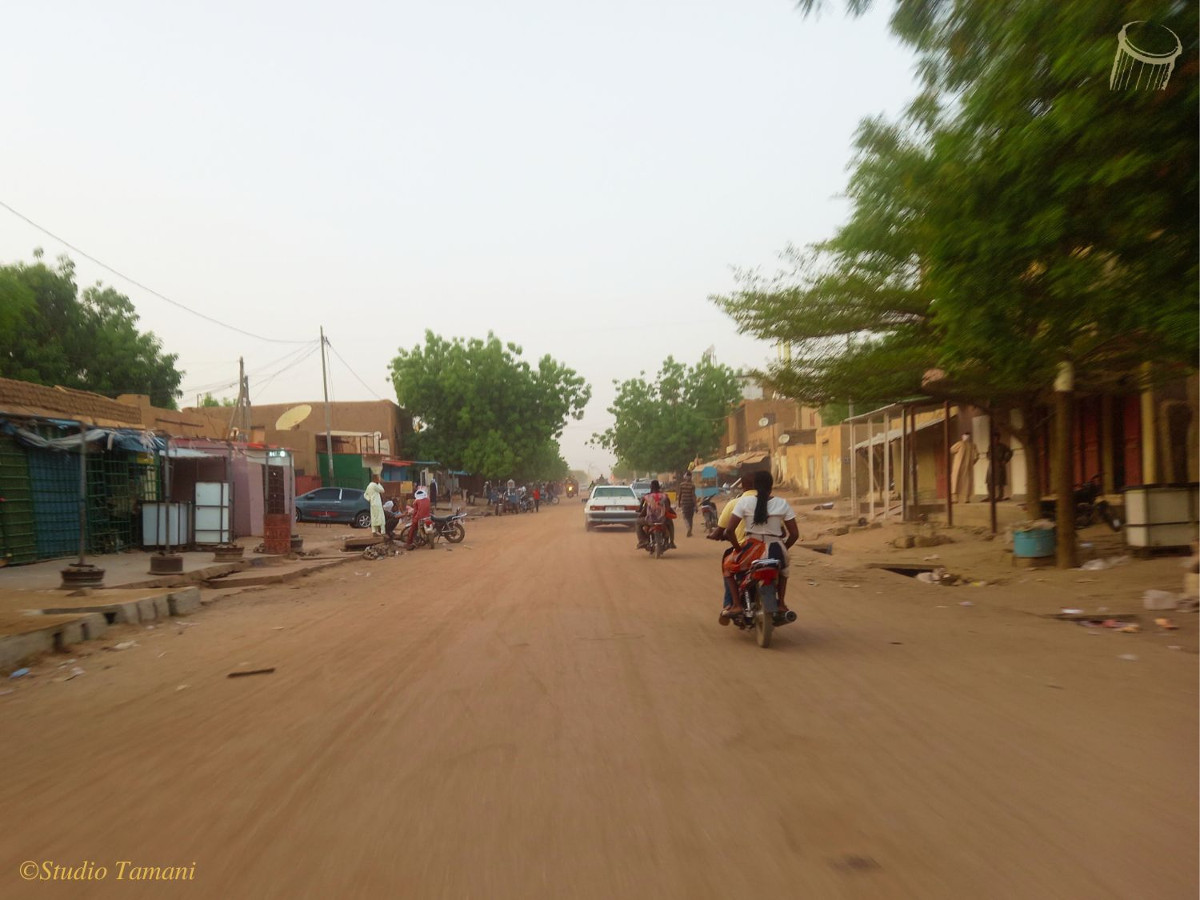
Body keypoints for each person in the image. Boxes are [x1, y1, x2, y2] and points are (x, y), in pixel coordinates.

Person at [722, 471, 799, 620]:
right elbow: (794, 534)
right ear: (771, 486)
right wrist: (784, 548)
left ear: (755, 487)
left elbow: (729, 530)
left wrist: (738, 548)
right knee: (783, 570)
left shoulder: (744, 502)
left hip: (752, 548)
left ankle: (737, 605)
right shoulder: (782, 503)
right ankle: (781, 603)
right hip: (777, 547)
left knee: (727, 568)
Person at [635, 480, 676, 549]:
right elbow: (668, 507)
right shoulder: (664, 496)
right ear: (659, 487)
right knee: (670, 524)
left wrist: (639, 513)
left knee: (637, 523)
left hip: (650, 520)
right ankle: (671, 542)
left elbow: (640, 509)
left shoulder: (646, 496)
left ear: (650, 487)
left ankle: (642, 541)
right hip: (663, 520)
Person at [950, 433, 979, 503]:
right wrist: (972, 463)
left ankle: (961, 498)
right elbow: (976, 457)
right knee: (965, 481)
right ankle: (963, 498)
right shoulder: (970, 445)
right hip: (966, 466)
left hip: (959, 466)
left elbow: (951, 450)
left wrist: (971, 463)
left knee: (957, 481)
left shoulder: (966, 444)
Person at [986, 432, 1013, 501]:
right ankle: (991, 496)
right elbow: (988, 454)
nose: (995, 440)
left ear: (998, 439)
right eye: (993, 438)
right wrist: (989, 457)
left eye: (996, 438)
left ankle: (1000, 496)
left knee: (1000, 482)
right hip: (992, 465)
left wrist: (1005, 460)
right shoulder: (990, 446)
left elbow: (1010, 452)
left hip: (1000, 465)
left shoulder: (1003, 446)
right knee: (989, 481)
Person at [676, 471, 697, 537]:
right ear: (691, 477)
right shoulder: (692, 485)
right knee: (690, 518)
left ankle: (688, 528)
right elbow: (693, 495)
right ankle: (690, 531)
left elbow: (680, 495)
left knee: (685, 517)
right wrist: (695, 505)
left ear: (685, 477)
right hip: (691, 503)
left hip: (684, 503)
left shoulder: (681, 485)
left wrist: (679, 503)